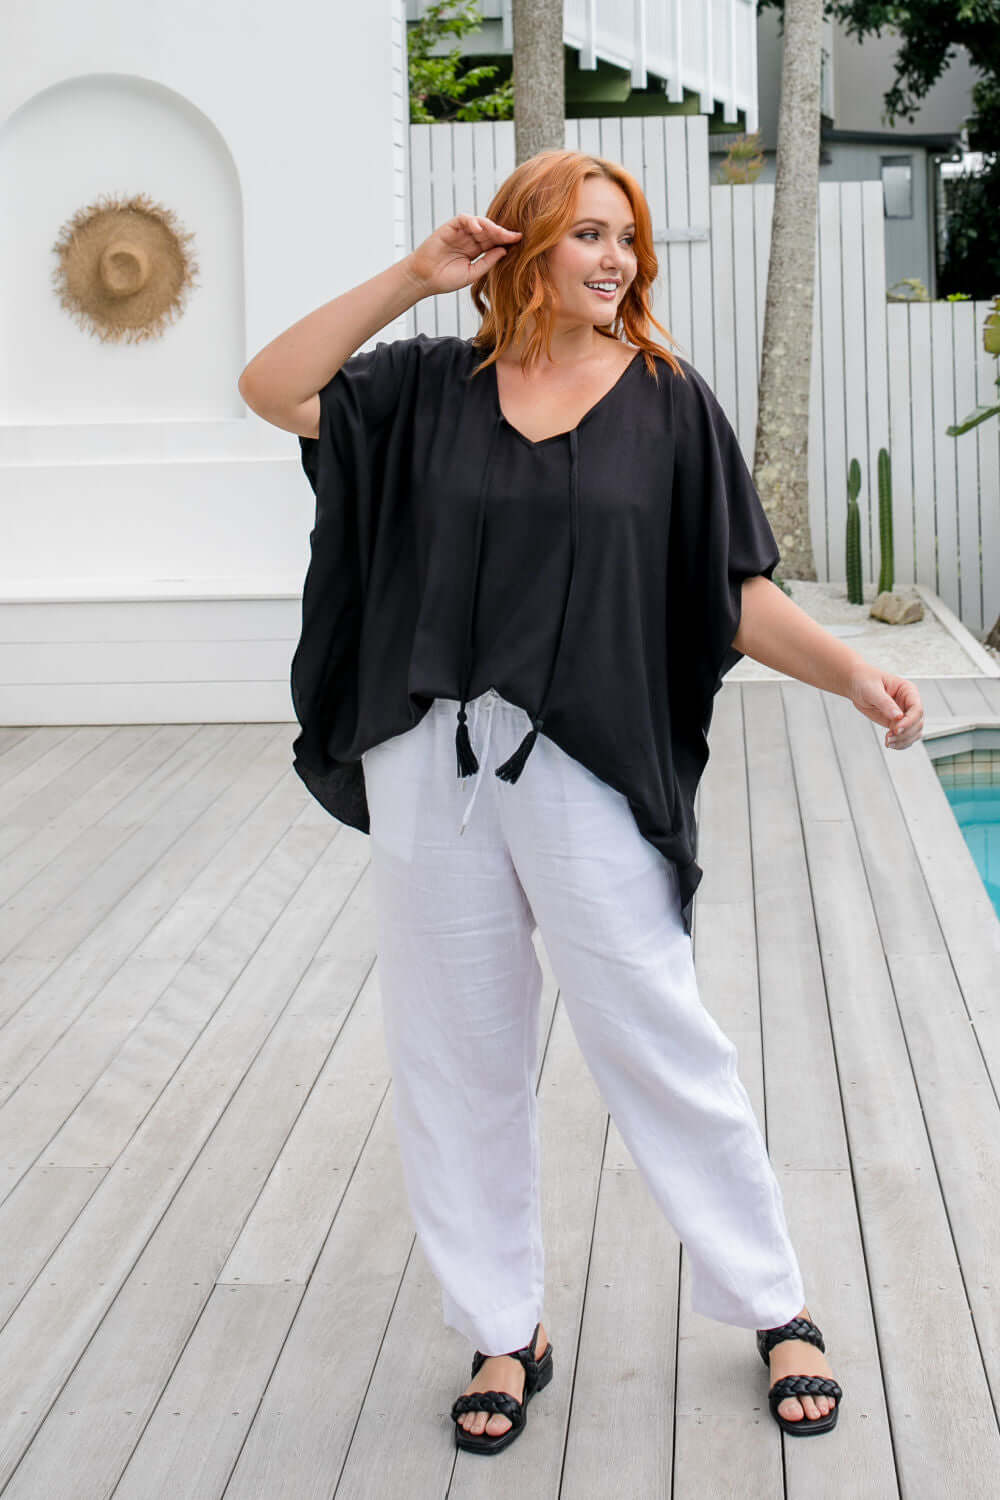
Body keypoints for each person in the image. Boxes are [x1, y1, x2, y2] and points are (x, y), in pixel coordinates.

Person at [238, 149, 924, 1456]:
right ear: (525, 246)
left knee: (655, 1026)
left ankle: (774, 1300)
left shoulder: (669, 406)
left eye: (629, 240)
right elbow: (272, 387)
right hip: (429, 756)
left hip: (585, 759)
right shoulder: (428, 390)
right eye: (588, 235)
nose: (616, 260)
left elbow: (728, 591)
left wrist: (850, 673)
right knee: (458, 1049)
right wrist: (413, 279)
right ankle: (505, 1326)